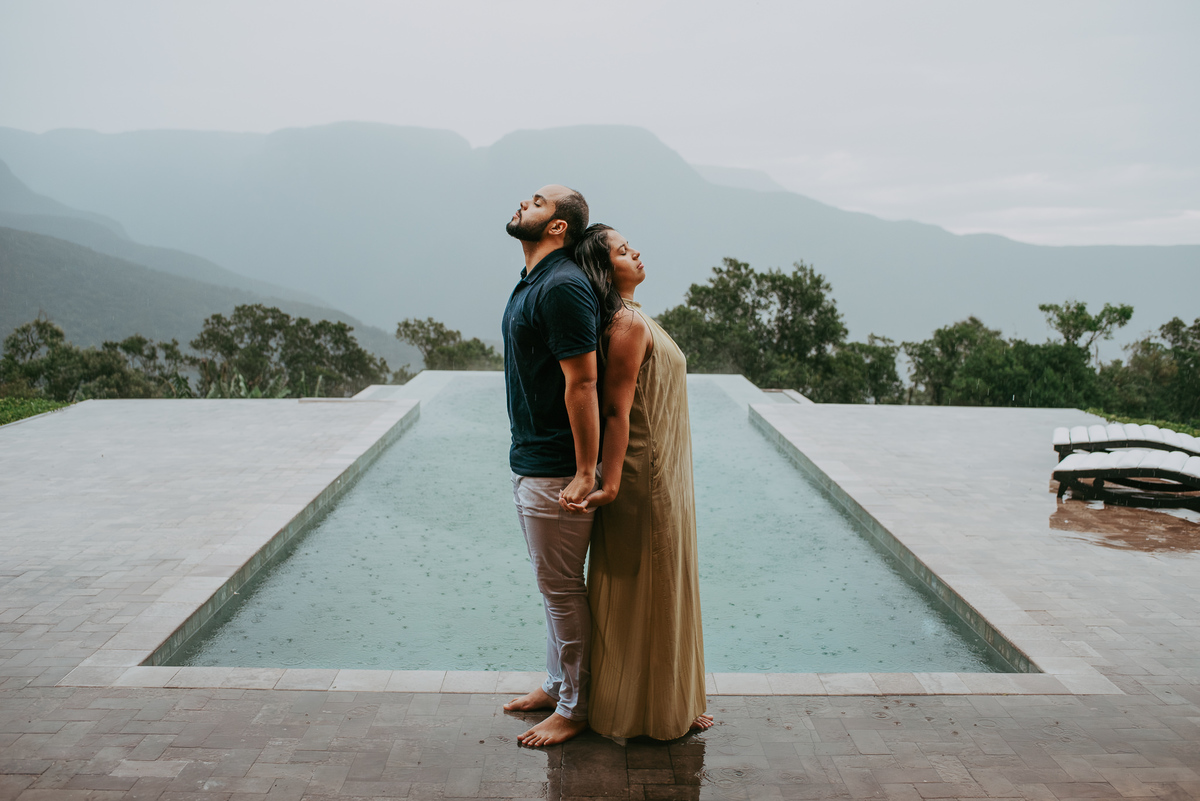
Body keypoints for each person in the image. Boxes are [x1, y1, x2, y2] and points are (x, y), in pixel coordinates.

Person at [566, 224, 713, 740]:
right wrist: (607, 480)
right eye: (624, 252)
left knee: (665, 584)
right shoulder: (625, 325)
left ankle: (671, 698)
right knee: (646, 589)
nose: (637, 253)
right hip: (644, 476)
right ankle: (644, 711)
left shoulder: (634, 317)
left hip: (664, 472)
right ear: (606, 271)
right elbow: (615, 409)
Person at [499, 184, 601, 747]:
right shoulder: (535, 281)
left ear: (559, 226)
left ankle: (575, 706)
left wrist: (586, 471)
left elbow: (581, 381)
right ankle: (555, 682)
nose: (523, 203)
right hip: (534, 459)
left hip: (558, 468)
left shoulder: (561, 286)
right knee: (552, 587)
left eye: (537, 201)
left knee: (561, 590)